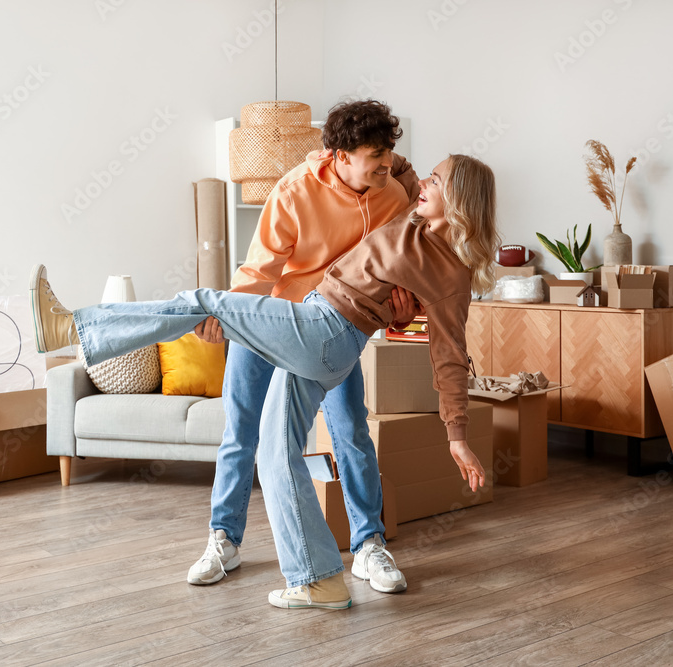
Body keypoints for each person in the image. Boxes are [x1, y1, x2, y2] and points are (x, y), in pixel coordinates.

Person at [30, 153, 500, 609]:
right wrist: (338, 149)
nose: (423, 184)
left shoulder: (449, 275)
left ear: (459, 199)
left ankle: (73, 327)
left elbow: (450, 358)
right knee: (275, 453)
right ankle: (318, 581)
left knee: (205, 300)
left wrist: (456, 436)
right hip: (317, 329)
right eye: (429, 177)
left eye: (437, 182)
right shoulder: (406, 214)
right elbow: (394, 164)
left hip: (326, 330)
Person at [189, 100, 419, 594]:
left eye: (388, 153)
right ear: (339, 155)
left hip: (333, 333)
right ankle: (224, 539)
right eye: (374, 154)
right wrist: (227, 316)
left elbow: (398, 275)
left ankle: (368, 545)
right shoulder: (294, 190)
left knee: (351, 432)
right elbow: (260, 270)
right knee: (241, 431)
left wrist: (403, 308)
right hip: (275, 322)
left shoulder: (393, 197)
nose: (384, 163)